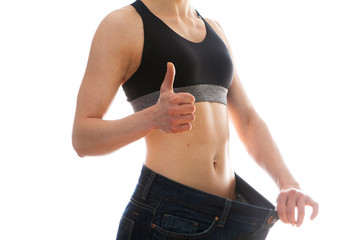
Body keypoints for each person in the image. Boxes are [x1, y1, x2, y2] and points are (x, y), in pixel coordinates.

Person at [72, 0, 319, 239]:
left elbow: (247, 119)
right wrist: (152, 118)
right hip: (168, 217)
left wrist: (288, 183)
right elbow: (82, 138)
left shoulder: (214, 29)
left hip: (233, 216)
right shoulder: (122, 24)